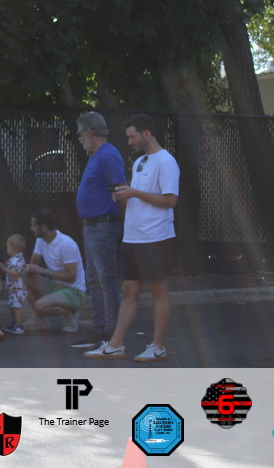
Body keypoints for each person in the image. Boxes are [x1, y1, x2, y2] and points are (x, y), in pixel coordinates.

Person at [85, 114, 179, 362]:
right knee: (129, 289)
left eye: (132, 136)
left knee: (158, 290)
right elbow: (138, 196)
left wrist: (135, 193)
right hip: (133, 236)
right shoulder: (140, 162)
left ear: (146, 133)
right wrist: (124, 195)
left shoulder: (166, 162)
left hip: (155, 236)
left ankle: (157, 346)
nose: (129, 142)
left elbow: (170, 200)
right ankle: (115, 345)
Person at [71, 111, 127, 350]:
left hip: (103, 225)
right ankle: (100, 328)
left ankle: (111, 333)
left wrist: (125, 225)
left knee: (105, 280)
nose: (79, 138)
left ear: (89, 131)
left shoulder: (108, 155)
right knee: (95, 280)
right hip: (93, 225)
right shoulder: (99, 155)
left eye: (80, 133)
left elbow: (121, 189)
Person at [22, 208, 87, 333]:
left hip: (75, 292)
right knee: (24, 278)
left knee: (39, 306)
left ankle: (71, 312)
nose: (31, 228)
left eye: (34, 226)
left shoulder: (66, 244)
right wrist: (25, 268)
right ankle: (40, 319)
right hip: (56, 286)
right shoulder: (40, 241)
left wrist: (43, 271)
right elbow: (32, 265)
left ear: (43, 228)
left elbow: (71, 277)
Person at [0, 234, 27, 334]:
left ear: (12, 248)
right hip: (13, 288)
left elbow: (16, 273)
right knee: (12, 306)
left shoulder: (17, 260)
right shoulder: (14, 259)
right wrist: (8, 265)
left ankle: (19, 325)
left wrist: (4, 269)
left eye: (8, 246)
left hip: (18, 288)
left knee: (17, 306)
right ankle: (14, 323)